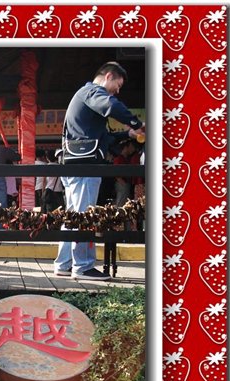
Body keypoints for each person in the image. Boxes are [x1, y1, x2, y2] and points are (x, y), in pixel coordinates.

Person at [54, 61, 145, 281]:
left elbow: (105, 137)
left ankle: (64, 264)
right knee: (85, 216)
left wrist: (128, 135)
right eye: (118, 85)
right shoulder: (93, 92)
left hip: (74, 162)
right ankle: (83, 267)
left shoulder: (85, 96)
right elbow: (111, 106)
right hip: (84, 165)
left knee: (73, 216)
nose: (117, 91)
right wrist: (136, 123)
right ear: (109, 76)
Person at [112, 139, 138, 207]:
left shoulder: (127, 158)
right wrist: (122, 182)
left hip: (127, 183)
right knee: (121, 201)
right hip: (121, 183)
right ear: (126, 147)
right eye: (131, 146)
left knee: (125, 202)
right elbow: (115, 172)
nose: (133, 149)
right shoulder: (118, 158)